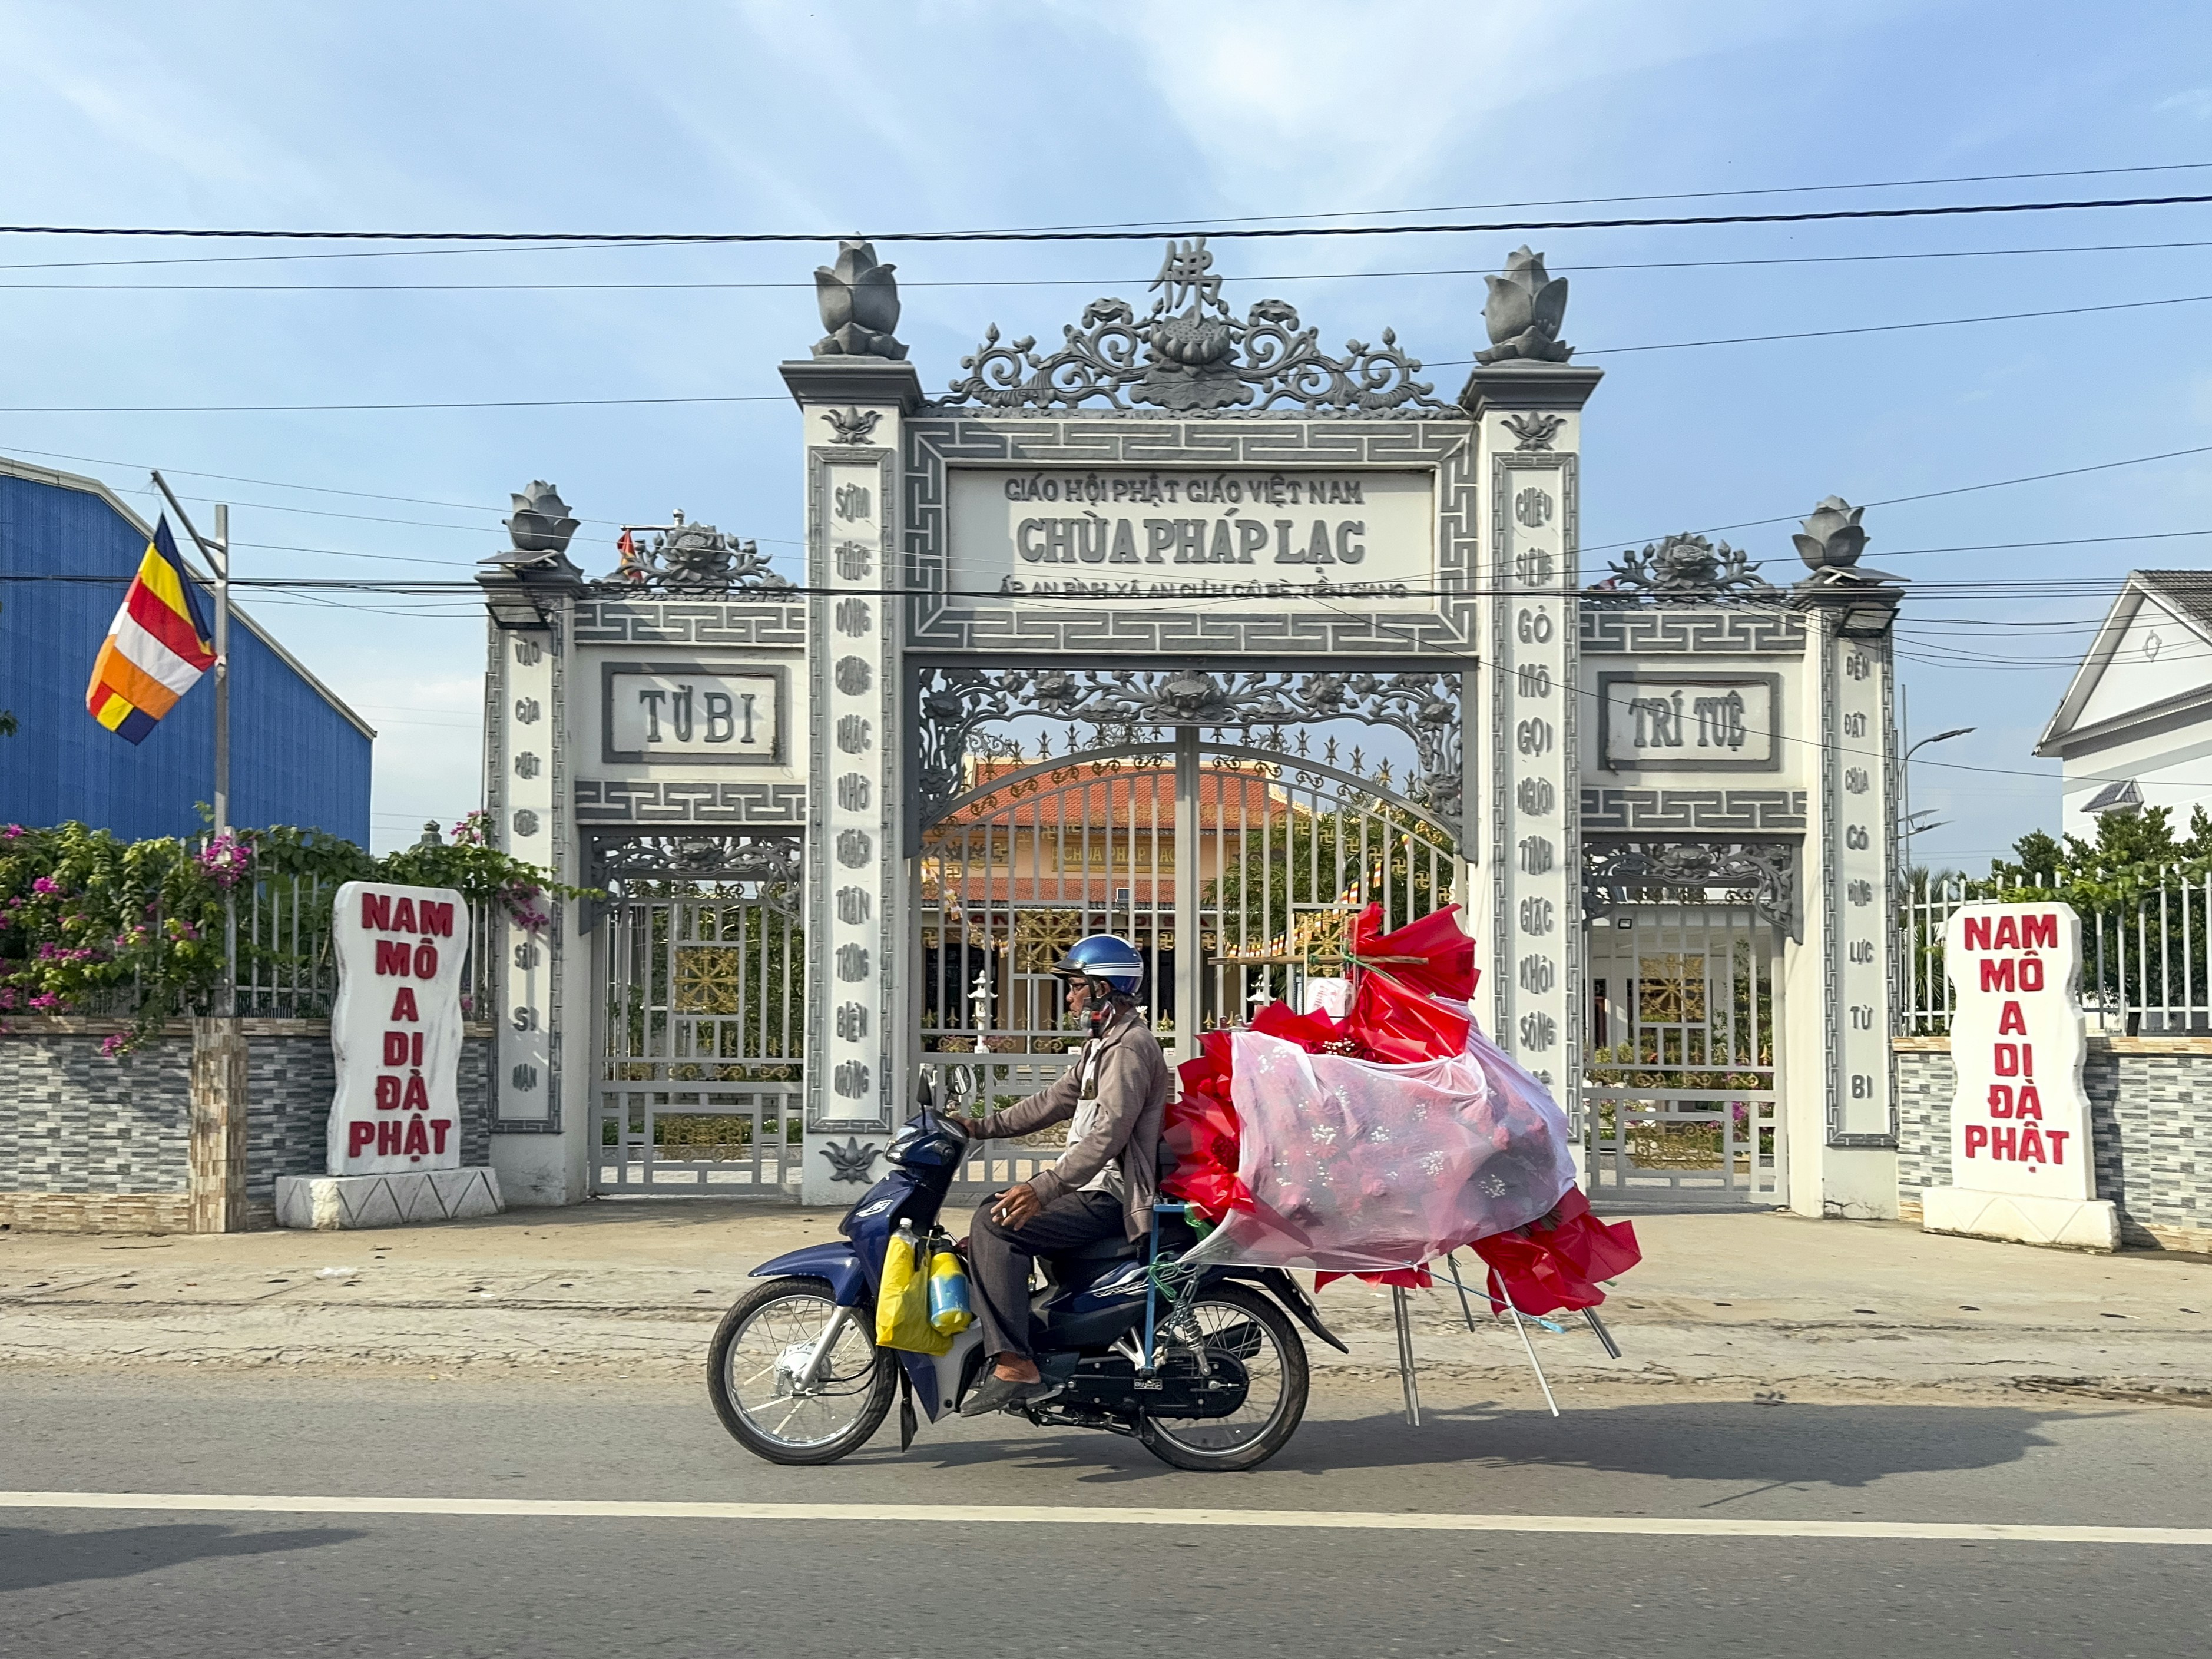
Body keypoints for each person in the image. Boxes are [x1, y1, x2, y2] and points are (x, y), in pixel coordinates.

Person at [953, 934, 1171, 1417]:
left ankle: (1016, 1365)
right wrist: (979, 1127)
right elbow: (1051, 1101)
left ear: (1104, 989)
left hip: (1110, 1194)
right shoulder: (1102, 1046)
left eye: (1076, 987)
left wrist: (1043, 1187)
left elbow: (1109, 1133)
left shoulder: (1130, 1048)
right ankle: (1040, 1338)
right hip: (1092, 1188)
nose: (1070, 997)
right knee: (994, 1209)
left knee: (995, 1222)